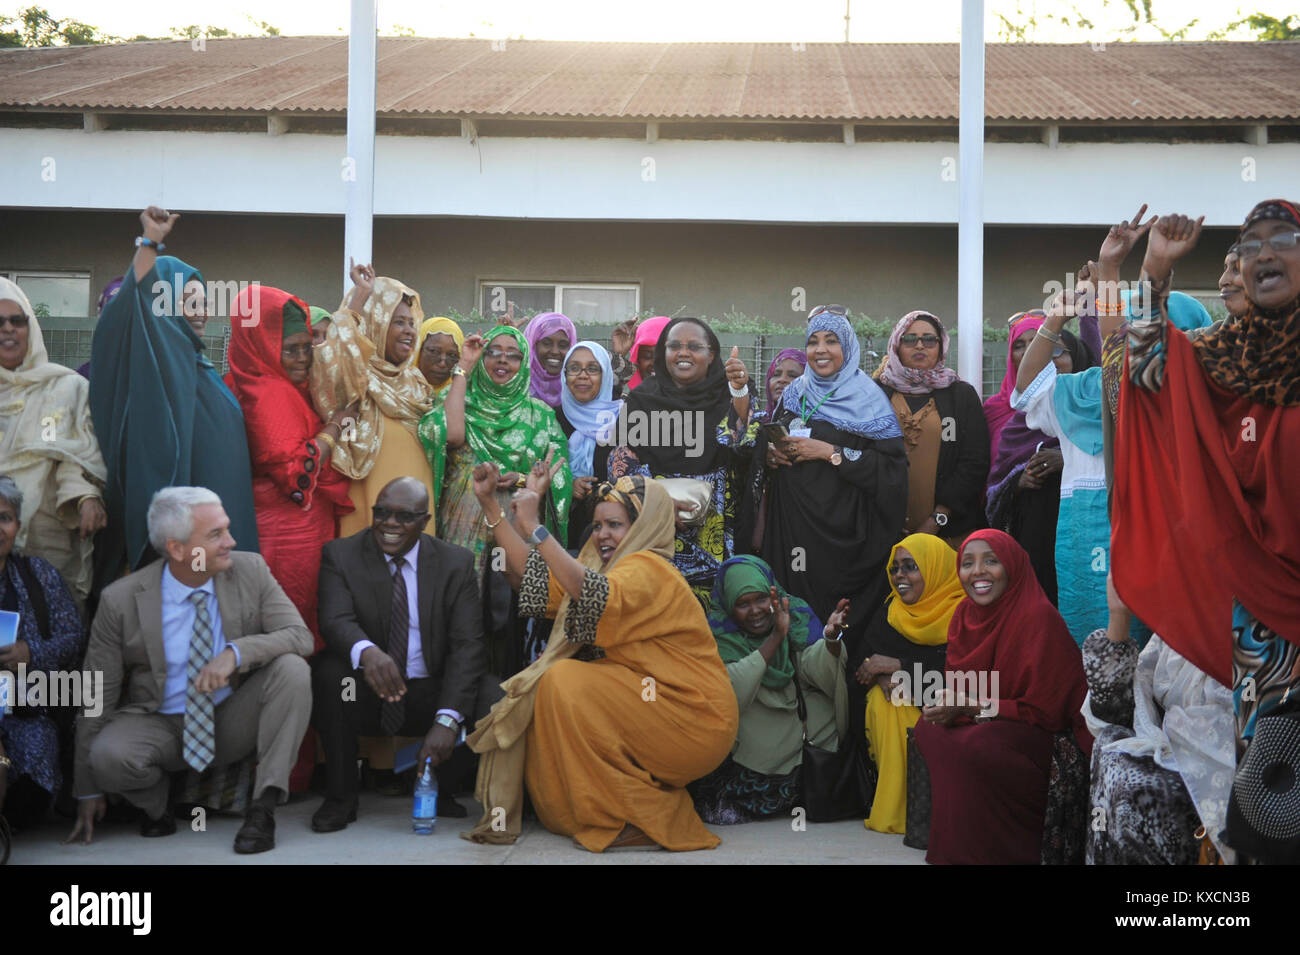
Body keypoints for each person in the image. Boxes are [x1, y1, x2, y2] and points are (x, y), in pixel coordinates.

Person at [1109, 203, 1300, 778]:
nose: (1263, 253)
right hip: (1262, 607)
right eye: (1249, 246)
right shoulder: (1222, 356)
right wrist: (1155, 273)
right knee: (1274, 786)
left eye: (1283, 238)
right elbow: (1143, 372)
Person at [465, 471, 738, 851]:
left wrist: (536, 528)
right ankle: (600, 810)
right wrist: (491, 506)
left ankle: (642, 816)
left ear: (644, 526)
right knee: (556, 684)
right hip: (657, 706)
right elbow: (532, 579)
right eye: (596, 525)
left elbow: (592, 594)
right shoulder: (606, 567)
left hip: (694, 718)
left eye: (615, 525)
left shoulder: (650, 568)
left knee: (564, 681)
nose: (601, 535)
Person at [67, 487, 313, 854]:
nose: (230, 541)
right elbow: (95, 696)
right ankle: (157, 804)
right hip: (161, 723)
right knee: (107, 756)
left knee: (292, 671)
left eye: (226, 529)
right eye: (215, 535)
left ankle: (263, 807)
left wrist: (236, 653)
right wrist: (87, 788)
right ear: (177, 549)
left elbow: (300, 637)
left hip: (231, 718)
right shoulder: (120, 600)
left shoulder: (250, 571)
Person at [311, 477, 500, 831]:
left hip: (428, 690)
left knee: (491, 695)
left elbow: (467, 646)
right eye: (382, 513)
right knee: (329, 676)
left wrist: (447, 719)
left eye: (404, 517)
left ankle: (442, 787)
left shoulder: (455, 564)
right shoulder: (341, 554)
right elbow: (334, 620)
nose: (390, 524)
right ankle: (340, 797)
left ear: (425, 521)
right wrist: (367, 653)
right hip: (369, 688)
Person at [225, 285, 356, 793]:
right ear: (262, 345)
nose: (304, 358)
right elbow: (297, 473)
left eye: (308, 347)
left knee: (298, 645)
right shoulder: (268, 394)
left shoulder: (264, 378)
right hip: (286, 541)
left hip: (296, 534)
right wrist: (332, 431)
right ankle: (285, 773)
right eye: (293, 348)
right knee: (292, 643)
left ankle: (291, 767)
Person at [89, 207, 259, 577]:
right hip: (179, 547)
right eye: (189, 302)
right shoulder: (148, 368)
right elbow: (133, 302)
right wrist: (150, 243)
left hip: (226, 540)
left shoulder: (203, 367)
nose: (201, 313)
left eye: (204, 303)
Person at [912, 530, 1091, 865]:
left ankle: (1007, 852)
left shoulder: (1036, 616)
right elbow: (962, 688)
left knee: (977, 744)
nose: (977, 571)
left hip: (1046, 739)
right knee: (928, 729)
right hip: (992, 724)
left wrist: (969, 706)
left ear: (1013, 567)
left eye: (991, 561)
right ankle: (957, 850)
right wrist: (949, 709)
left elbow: (1047, 711)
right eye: (967, 563)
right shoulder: (964, 617)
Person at [419, 325, 570, 675]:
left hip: (515, 529)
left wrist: (520, 480)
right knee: (461, 612)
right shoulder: (460, 400)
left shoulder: (540, 413)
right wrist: (464, 368)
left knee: (511, 618)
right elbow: (451, 435)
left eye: (513, 354)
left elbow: (559, 474)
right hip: (461, 527)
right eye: (494, 351)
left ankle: (507, 698)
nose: (503, 359)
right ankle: (455, 705)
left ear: (524, 361)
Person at [758, 305, 907, 657]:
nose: (820, 349)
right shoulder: (794, 393)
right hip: (791, 530)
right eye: (813, 341)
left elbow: (893, 471)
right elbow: (766, 446)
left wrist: (829, 452)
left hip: (844, 538)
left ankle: (839, 697)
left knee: (836, 626)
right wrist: (769, 455)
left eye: (831, 341)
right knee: (793, 622)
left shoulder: (871, 399)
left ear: (848, 348)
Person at [1083, 573, 1235, 865]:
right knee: (1110, 744)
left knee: (1137, 783)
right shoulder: (1180, 625)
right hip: (1179, 757)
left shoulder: (1261, 625)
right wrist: (1119, 616)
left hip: (1229, 770)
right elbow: (1111, 713)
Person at [690, 555, 848, 825]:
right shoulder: (715, 635)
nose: (755, 611)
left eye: (761, 599)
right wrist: (775, 638)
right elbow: (728, 693)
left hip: (798, 736)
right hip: (753, 738)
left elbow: (814, 666)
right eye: (743, 604)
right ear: (729, 605)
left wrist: (831, 639)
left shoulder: (794, 614)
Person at [610, 316, 756, 600]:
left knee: (712, 615)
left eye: (694, 346)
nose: (683, 353)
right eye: (674, 346)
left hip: (715, 529)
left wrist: (739, 393)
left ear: (711, 354)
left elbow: (746, 448)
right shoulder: (641, 399)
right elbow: (620, 462)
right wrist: (659, 504)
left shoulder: (731, 393)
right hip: (654, 527)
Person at [1011, 284, 1110, 645]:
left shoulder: (1160, 389)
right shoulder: (1077, 390)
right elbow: (1028, 388)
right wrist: (1055, 318)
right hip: (1078, 527)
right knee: (1082, 630)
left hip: (1138, 522)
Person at [308, 260, 434, 538]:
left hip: (417, 506)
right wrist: (360, 297)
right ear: (376, 324)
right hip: (368, 505)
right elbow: (331, 355)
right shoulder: (356, 377)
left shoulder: (417, 383)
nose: (410, 331)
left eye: (412, 323)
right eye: (398, 322)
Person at [0, 279, 107, 605]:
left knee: (50, 624)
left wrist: (86, 496)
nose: (8, 329)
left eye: (17, 320)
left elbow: (78, 454)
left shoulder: (67, 387)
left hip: (47, 532)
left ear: (30, 327)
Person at [856, 534, 962, 834]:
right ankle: (899, 807)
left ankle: (926, 808)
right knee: (884, 699)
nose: (900, 575)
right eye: (895, 568)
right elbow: (863, 664)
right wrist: (880, 674)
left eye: (910, 566)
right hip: (901, 710)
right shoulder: (891, 611)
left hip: (952, 709)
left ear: (935, 567)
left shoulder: (963, 611)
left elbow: (960, 673)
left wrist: (899, 666)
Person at [0, 476, 85, 831]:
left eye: (4, 518)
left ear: (18, 525)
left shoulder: (40, 575)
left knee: (33, 775)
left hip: (25, 709)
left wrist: (30, 652)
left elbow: (75, 638)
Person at [875, 310, 990, 545]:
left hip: (948, 533)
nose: (920, 345)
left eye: (929, 339)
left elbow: (974, 462)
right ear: (896, 345)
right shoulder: (875, 392)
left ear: (940, 346)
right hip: (880, 529)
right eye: (909, 339)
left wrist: (937, 520)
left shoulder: (961, 395)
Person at [984, 310, 1067, 604]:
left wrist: (1064, 458)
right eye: (1021, 345)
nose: (1030, 351)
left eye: (1039, 342)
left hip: (1071, 522)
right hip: (1022, 529)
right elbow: (990, 478)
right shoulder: (994, 411)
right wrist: (1017, 481)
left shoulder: (1076, 400)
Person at [558, 340, 623, 549]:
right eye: (574, 368)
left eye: (593, 369)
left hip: (614, 538)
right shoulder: (550, 418)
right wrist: (567, 485)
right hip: (562, 536)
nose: (583, 375)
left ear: (605, 377)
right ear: (564, 375)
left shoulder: (624, 419)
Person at [523, 311, 576, 408]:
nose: (555, 352)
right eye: (547, 343)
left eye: (563, 345)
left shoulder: (579, 389)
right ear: (533, 347)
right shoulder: (516, 388)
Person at [416, 316, 464, 401]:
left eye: (452, 355)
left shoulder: (461, 397)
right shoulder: (396, 390)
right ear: (418, 350)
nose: (442, 364)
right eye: (434, 351)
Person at [624, 315, 671, 391]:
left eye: (663, 356)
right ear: (637, 360)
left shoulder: (692, 400)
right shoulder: (633, 401)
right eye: (647, 356)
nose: (655, 363)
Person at [761, 348, 806, 418]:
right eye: (776, 374)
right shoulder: (758, 422)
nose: (782, 380)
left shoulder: (815, 421)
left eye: (792, 376)